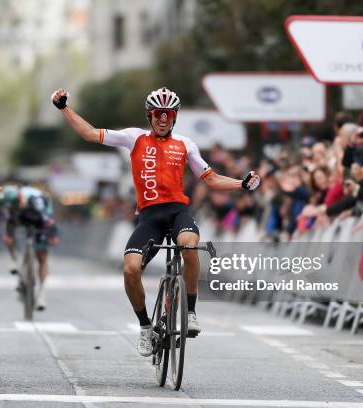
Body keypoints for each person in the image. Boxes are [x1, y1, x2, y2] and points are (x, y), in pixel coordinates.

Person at [51, 87, 260, 356]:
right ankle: (145, 327)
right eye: (159, 113)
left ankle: (191, 310)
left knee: (190, 246)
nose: (164, 118)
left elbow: (211, 179)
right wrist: (64, 108)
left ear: (175, 117)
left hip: (178, 213)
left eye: (169, 114)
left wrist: (241, 184)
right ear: (150, 115)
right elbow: (90, 134)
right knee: (130, 270)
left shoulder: (185, 144)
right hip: (149, 217)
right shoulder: (133, 138)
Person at [0, 184, 59, 311]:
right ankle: (14, 261)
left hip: (38, 216)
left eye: (12, 206)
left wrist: (53, 235)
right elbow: (10, 222)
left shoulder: (35, 201)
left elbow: (48, 220)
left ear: (18, 200)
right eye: (8, 207)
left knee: (42, 255)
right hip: (22, 215)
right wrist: (9, 236)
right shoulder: (10, 206)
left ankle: (41, 294)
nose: (10, 209)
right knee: (8, 237)